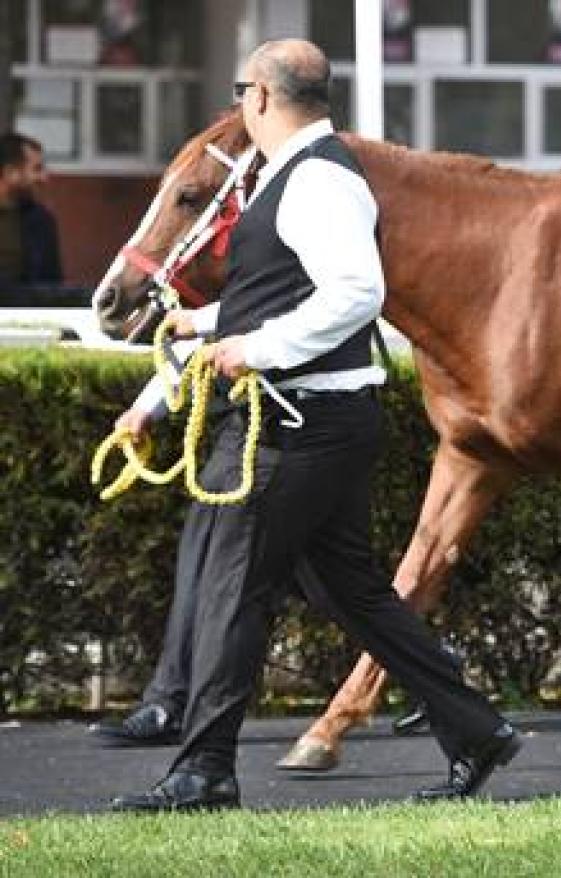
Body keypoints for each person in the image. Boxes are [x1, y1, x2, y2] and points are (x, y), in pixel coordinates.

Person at [109, 38, 520, 812]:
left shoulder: (317, 180)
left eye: (240, 93)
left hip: (292, 423)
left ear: (260, 96)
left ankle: (204, 770)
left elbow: (355, 294)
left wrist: (256, 349)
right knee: (357, 596)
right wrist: (202, 326)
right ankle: (476, 731)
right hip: (321, 419)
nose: (239, 106)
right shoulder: (300, 176)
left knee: (232, 590)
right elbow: (285, 289)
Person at [0, 132, 63, 291]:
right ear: (9, 172)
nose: (44, 178)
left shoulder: (41, 220)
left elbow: (53, 287)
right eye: (36, 169)